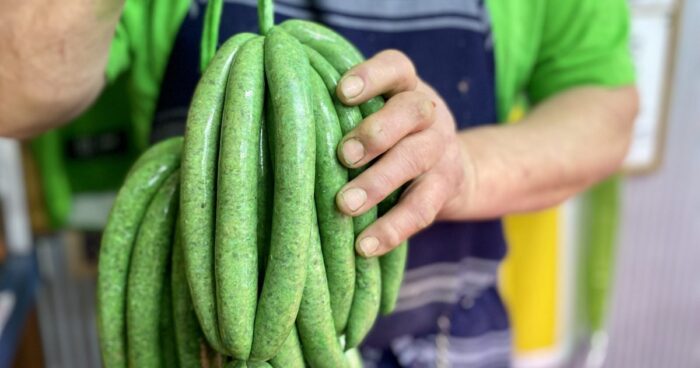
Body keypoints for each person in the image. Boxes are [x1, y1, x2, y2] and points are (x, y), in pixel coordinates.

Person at [0, 0, 638, 366]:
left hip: (449, 346)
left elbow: (605, 112)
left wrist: (464, 170)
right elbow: (14, 95)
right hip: (201, 350)